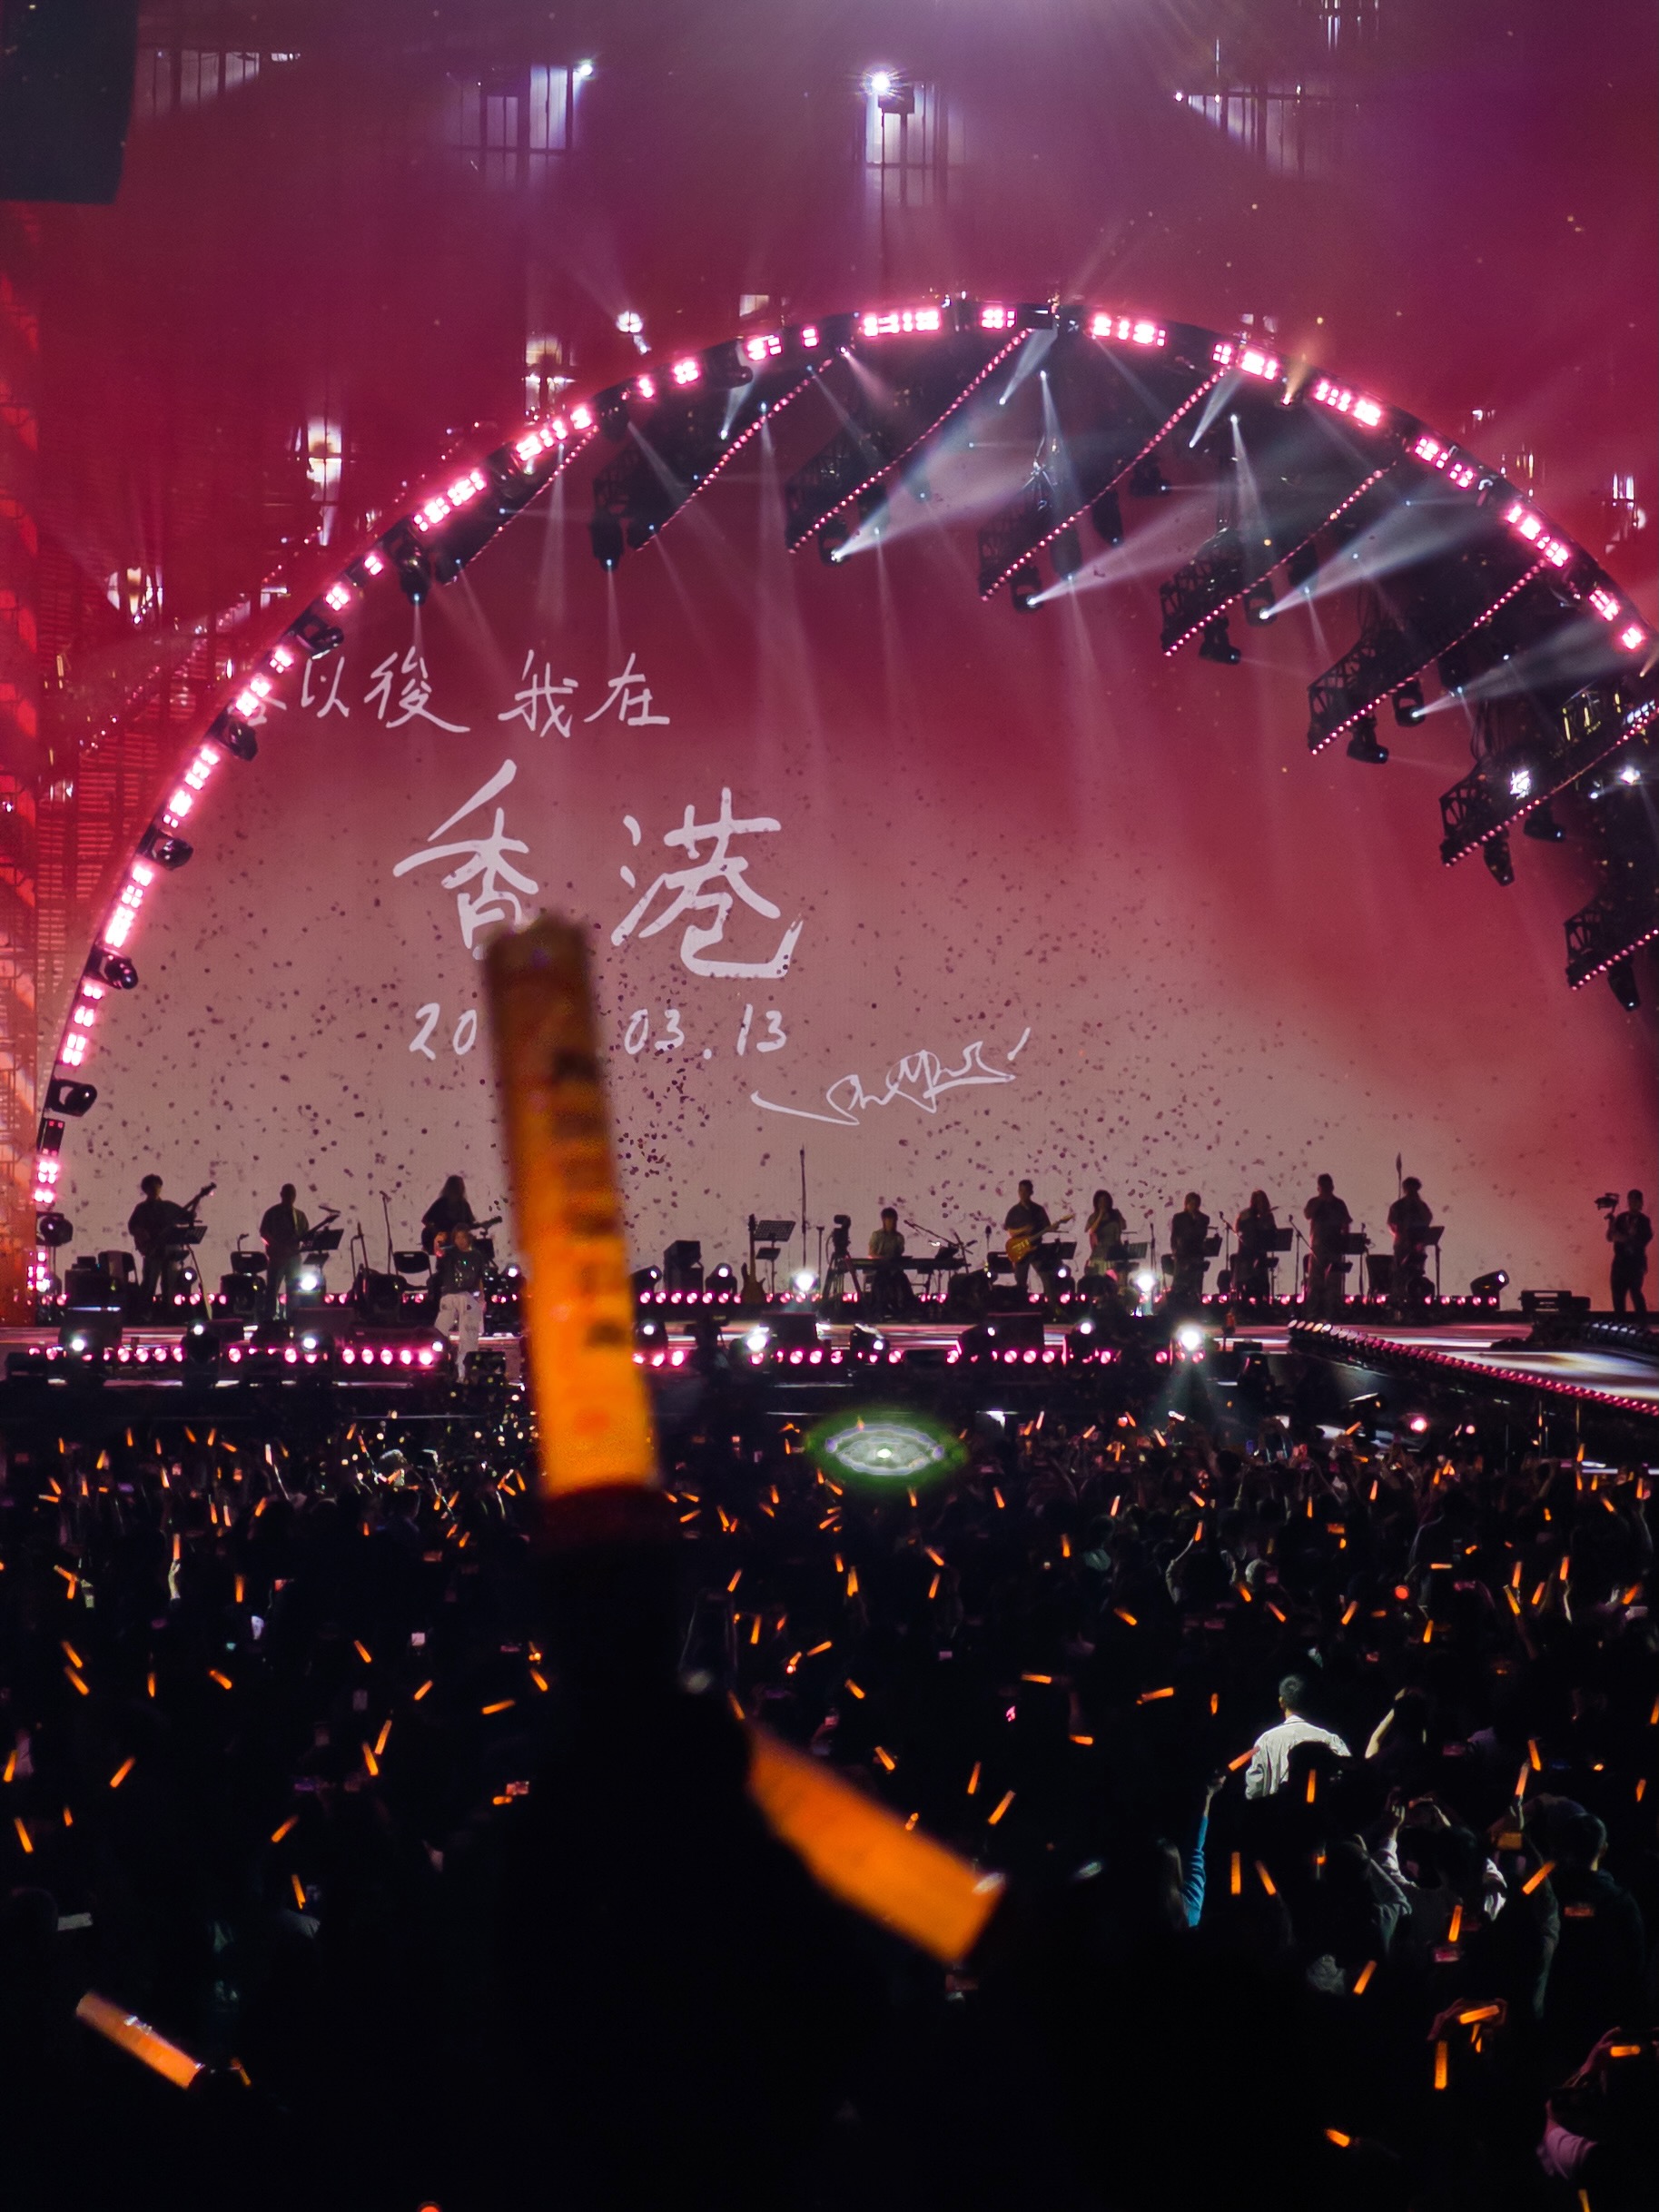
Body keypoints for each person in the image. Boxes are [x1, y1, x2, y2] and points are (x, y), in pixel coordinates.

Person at [1242, 1674, 1352, 1800]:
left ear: (1281, 1702)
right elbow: (1347, 1777)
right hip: (1320, 1810)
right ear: (1309, 1701)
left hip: (1277, 1811)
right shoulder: (1329, 1739)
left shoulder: (1264, 1741)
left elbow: (1254, 1790)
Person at [127, 1173, 191, 1309]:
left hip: (170, 1249)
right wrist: (143, 1236)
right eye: (152, 1187)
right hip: (153, 1250)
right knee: (149, 1283)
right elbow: (132, 1227)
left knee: (170, 1282)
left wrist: (191, 1214)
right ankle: (145, 1311)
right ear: (146, 1190)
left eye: (157, 1187)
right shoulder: (142, 1209)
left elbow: (185, 1218)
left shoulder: (168, 1207)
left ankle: (169, 1310)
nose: (155, 1190)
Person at [433, 1224, 488, 1370]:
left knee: (469, 1332)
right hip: (451, 1295)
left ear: (468, 1238)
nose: (460, 1241)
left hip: (468, 1296)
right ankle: (439, 1360)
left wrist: (482, 1297)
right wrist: (437, 1241)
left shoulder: (476, 1256)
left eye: (463, 1237)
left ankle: (464, 1367)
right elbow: (439, 1253)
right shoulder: (450, 1253)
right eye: (457, 1238)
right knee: (441, 1329)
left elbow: (479, 1278)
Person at [259, 1182, 310, 1325]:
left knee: (294, 1289)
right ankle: (270, 1319)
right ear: (281, 1195)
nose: (290, 1197)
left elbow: (306, 1234)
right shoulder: (272, 1213)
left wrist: (307, 1240)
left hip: (294, 1257)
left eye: (292, 1194)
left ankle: (292, 1318)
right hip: (277, 1257)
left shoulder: (300, 1215)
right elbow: (264, 1232)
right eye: (287, 1194)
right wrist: (276, 1246)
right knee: (272, 1289)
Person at [1303, 1173, 1352, 1318]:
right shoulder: (1314, 1202)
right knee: (1315, 1281)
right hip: (1318, 1247)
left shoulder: (1339, 1204)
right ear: (1319, 1188)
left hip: (1334, 1246)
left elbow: (1346, 1223)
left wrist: (1344, 1239)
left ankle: (1332, 1312)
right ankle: (1313, 1313)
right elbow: (1308, 1214)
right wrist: (1320, 1201)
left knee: (1333, 1282)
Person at [1003, 1180, 1058, 1299]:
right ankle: (1021, 1305)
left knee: (1046, 1277)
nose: (1023, 1194)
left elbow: (1046, 1227)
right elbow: (1010, 1231)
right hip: (1021, 1250)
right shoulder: (1014, 1211)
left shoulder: (1038, 1210)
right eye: (1021, 1191)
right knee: (1020, 1281)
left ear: (1031, 1192)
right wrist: (1024, 1230)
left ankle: (1051, 1304)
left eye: (1026, 1191)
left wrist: (1053, 1228)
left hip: (1036, 1249)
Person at [1387, 1176, 1435, 1306]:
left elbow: (1427, 1220)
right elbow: (1393, 1225)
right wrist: (1403, 1237)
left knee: (1416, 1274)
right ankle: (1401, 1299)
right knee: (1401, 1273)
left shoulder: (1419, 1206)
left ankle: (1414, 1299)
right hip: (1404, 1246)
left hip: (1416, 1246)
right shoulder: (1400, 1206)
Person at [1606, 1190, 1653, 1316]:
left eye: (1636, 1201)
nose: (1633, 1203)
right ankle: (1620, 1322)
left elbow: (1642, 1241)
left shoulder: (1644, 1221)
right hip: (1620, 1263)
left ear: (1641, 1203)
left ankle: (1642, 1322)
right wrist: (1611, 1225)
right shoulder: (1621, 1218)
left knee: (1636, 1294)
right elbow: (1610, 1237)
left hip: (1635, 1264)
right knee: (1618, 1295)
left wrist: (1624, 1238)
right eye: (1631, 1200)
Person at [866, 1208, 913, 1318]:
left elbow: (899, 1254)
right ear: (884, 1220)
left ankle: (906, 1308)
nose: (892, 1223)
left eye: (894, 1220)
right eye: (889, 1220)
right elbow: (871, 1253)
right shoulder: (877, 1235)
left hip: (894, 1269)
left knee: (903, 1280)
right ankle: (879, 1309)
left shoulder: (899, 1237)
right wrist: (883, 1258)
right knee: (881, 1280)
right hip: (879, 1269)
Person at [1233, 1190, 1278, 1302]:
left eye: (1262, 1201)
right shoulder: (1246, 1215)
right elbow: (1239, 1230)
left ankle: (1262, 1303)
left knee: (1261, 1284)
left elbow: (1273, 1232)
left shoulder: (1267, 1216)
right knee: (1246, 1283)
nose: (1260, 1204)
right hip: (1246, 1254)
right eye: (1258, 1201)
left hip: (1260, 1254)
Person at [1168, 1192, 1210, 1308]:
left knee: (1196, 1282)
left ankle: (1196, 1305)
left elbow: (1201, 1234)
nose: (1193, 1206)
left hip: (1196, 1253)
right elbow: (1174, 1236)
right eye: (1191, 1203)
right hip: (1182, 1253)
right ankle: (1176, 1306)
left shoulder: (1203, 1218)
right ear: (1186, 1204)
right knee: (1179, 1282)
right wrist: (1175, 1250)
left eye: (1196, 1204)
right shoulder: (1179, 1218)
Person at [421, 1173, 475, 1255]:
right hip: (444, 1242)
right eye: (458, 1186)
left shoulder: (464, 1205)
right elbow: (426, 1219)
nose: (460, 1188)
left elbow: (468, 1224)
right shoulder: (441, 1203)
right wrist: (436, 1232)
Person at [1083, 1190, 1127, 1279]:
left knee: (1116, 1280)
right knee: (1099, 1280)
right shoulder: (1094, 1216)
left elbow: (1124, 1226)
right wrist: (1100, 1215)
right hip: (1100, 1253)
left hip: (1115, 1251)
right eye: (1100, 1201)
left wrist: (1119, 1216)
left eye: (1105, 1201)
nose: (1103, 1204)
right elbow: (1090, 1230)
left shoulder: (1115, 1214)